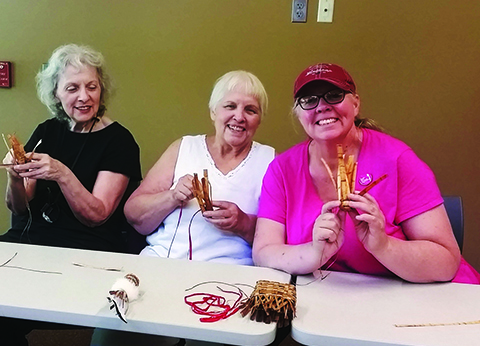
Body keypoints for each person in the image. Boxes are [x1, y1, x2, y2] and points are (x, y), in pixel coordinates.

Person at [90, 70, 275, 346]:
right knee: (110, 336)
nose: (239, 116)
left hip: (228, 281)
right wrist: (172, 197)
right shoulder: (184, 147)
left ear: (259, 119)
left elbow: (279, 240)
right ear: (213, 111)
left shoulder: (270, 161)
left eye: (251, 109)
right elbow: (134, 215)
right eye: (230, 106)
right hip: (158, 270)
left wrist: (243, 223)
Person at [253, 63, 480, 284]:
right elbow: (264, 252)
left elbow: (446, 262)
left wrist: (383, 245)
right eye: (309, 100)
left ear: (356, 103)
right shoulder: (283, 169)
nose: (321, 106)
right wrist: (313, 254)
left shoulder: (397, 159)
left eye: (334, 95)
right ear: (298, 114)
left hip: (423, 300)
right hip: (330, 302)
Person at [0, 44, 142, 346]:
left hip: (87, 252)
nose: (84, 96)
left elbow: (97, 214)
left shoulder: (119, 141)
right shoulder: (46, 131)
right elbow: (19, 208)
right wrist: (14, 177)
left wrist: (62, 173)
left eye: (92, 86)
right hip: (32, 245)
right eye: (72, 88)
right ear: (56, 94)